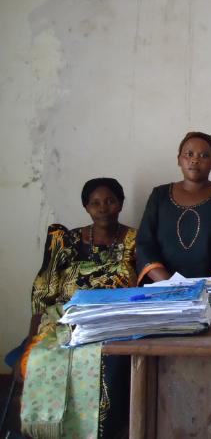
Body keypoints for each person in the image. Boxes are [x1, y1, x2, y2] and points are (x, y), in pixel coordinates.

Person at [19, 178, 137, 438]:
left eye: (110, 201)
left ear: (120, 204)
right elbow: (43, 292)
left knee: (110, 365)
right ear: (86, 207)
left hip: (112, 322)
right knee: (40, 359)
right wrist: (30, 338)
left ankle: (102, 432)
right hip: (63, 320)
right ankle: (51, 429)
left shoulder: (135, 240)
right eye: (95, 203)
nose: (103, 208)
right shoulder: (66, 241)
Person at [136, 131, 211, 282]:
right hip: (162, 287)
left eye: (204, 155)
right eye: (189, 154)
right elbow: (144, 243)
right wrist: (171, 284)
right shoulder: (159, 195)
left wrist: (207, 288)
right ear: (179, 160)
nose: (195, 160)